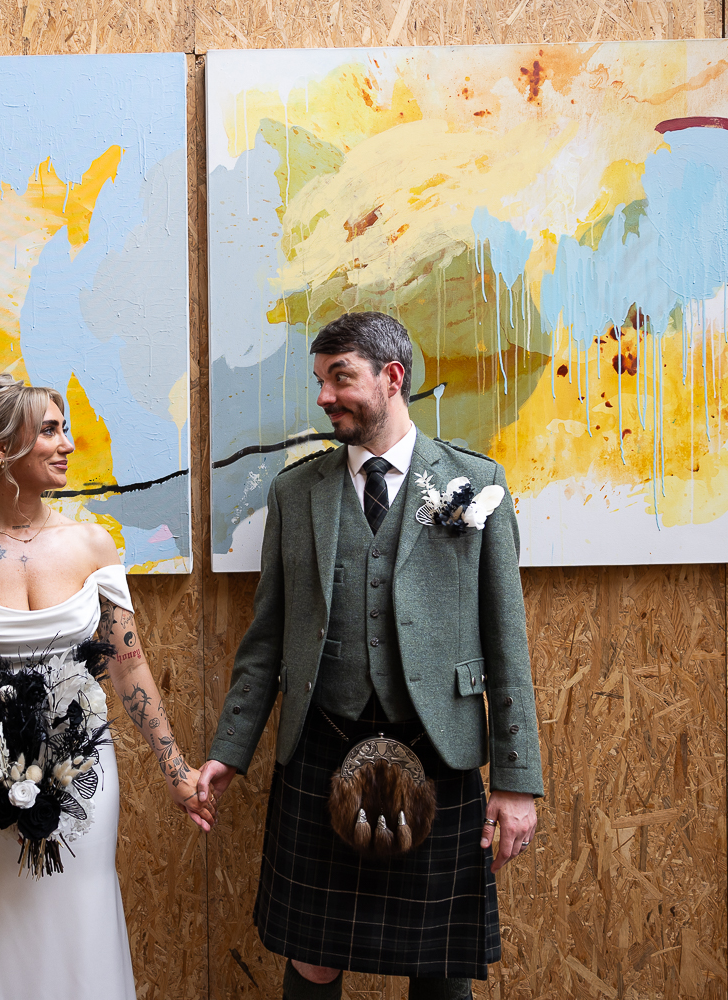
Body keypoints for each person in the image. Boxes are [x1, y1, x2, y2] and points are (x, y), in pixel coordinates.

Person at [195, 312, 543, 1000]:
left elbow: (508, 643)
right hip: (322, 745)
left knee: (440, 960)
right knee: (313, 957)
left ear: (392, 377)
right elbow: (266, 640)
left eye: (340, 378)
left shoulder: (475, 483)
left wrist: (516, 781)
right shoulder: (297, 492)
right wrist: (230, 750)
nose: (324, 397)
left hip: (439, 752)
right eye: (320, 381)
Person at [0, 371, 212, 1000]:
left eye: (64, 429)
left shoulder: (92, 543)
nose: (67, 443)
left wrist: (177, 769)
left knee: (80, 917)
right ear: (0, 448)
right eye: (49, 431)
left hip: (83, 777)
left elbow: (129, 666)